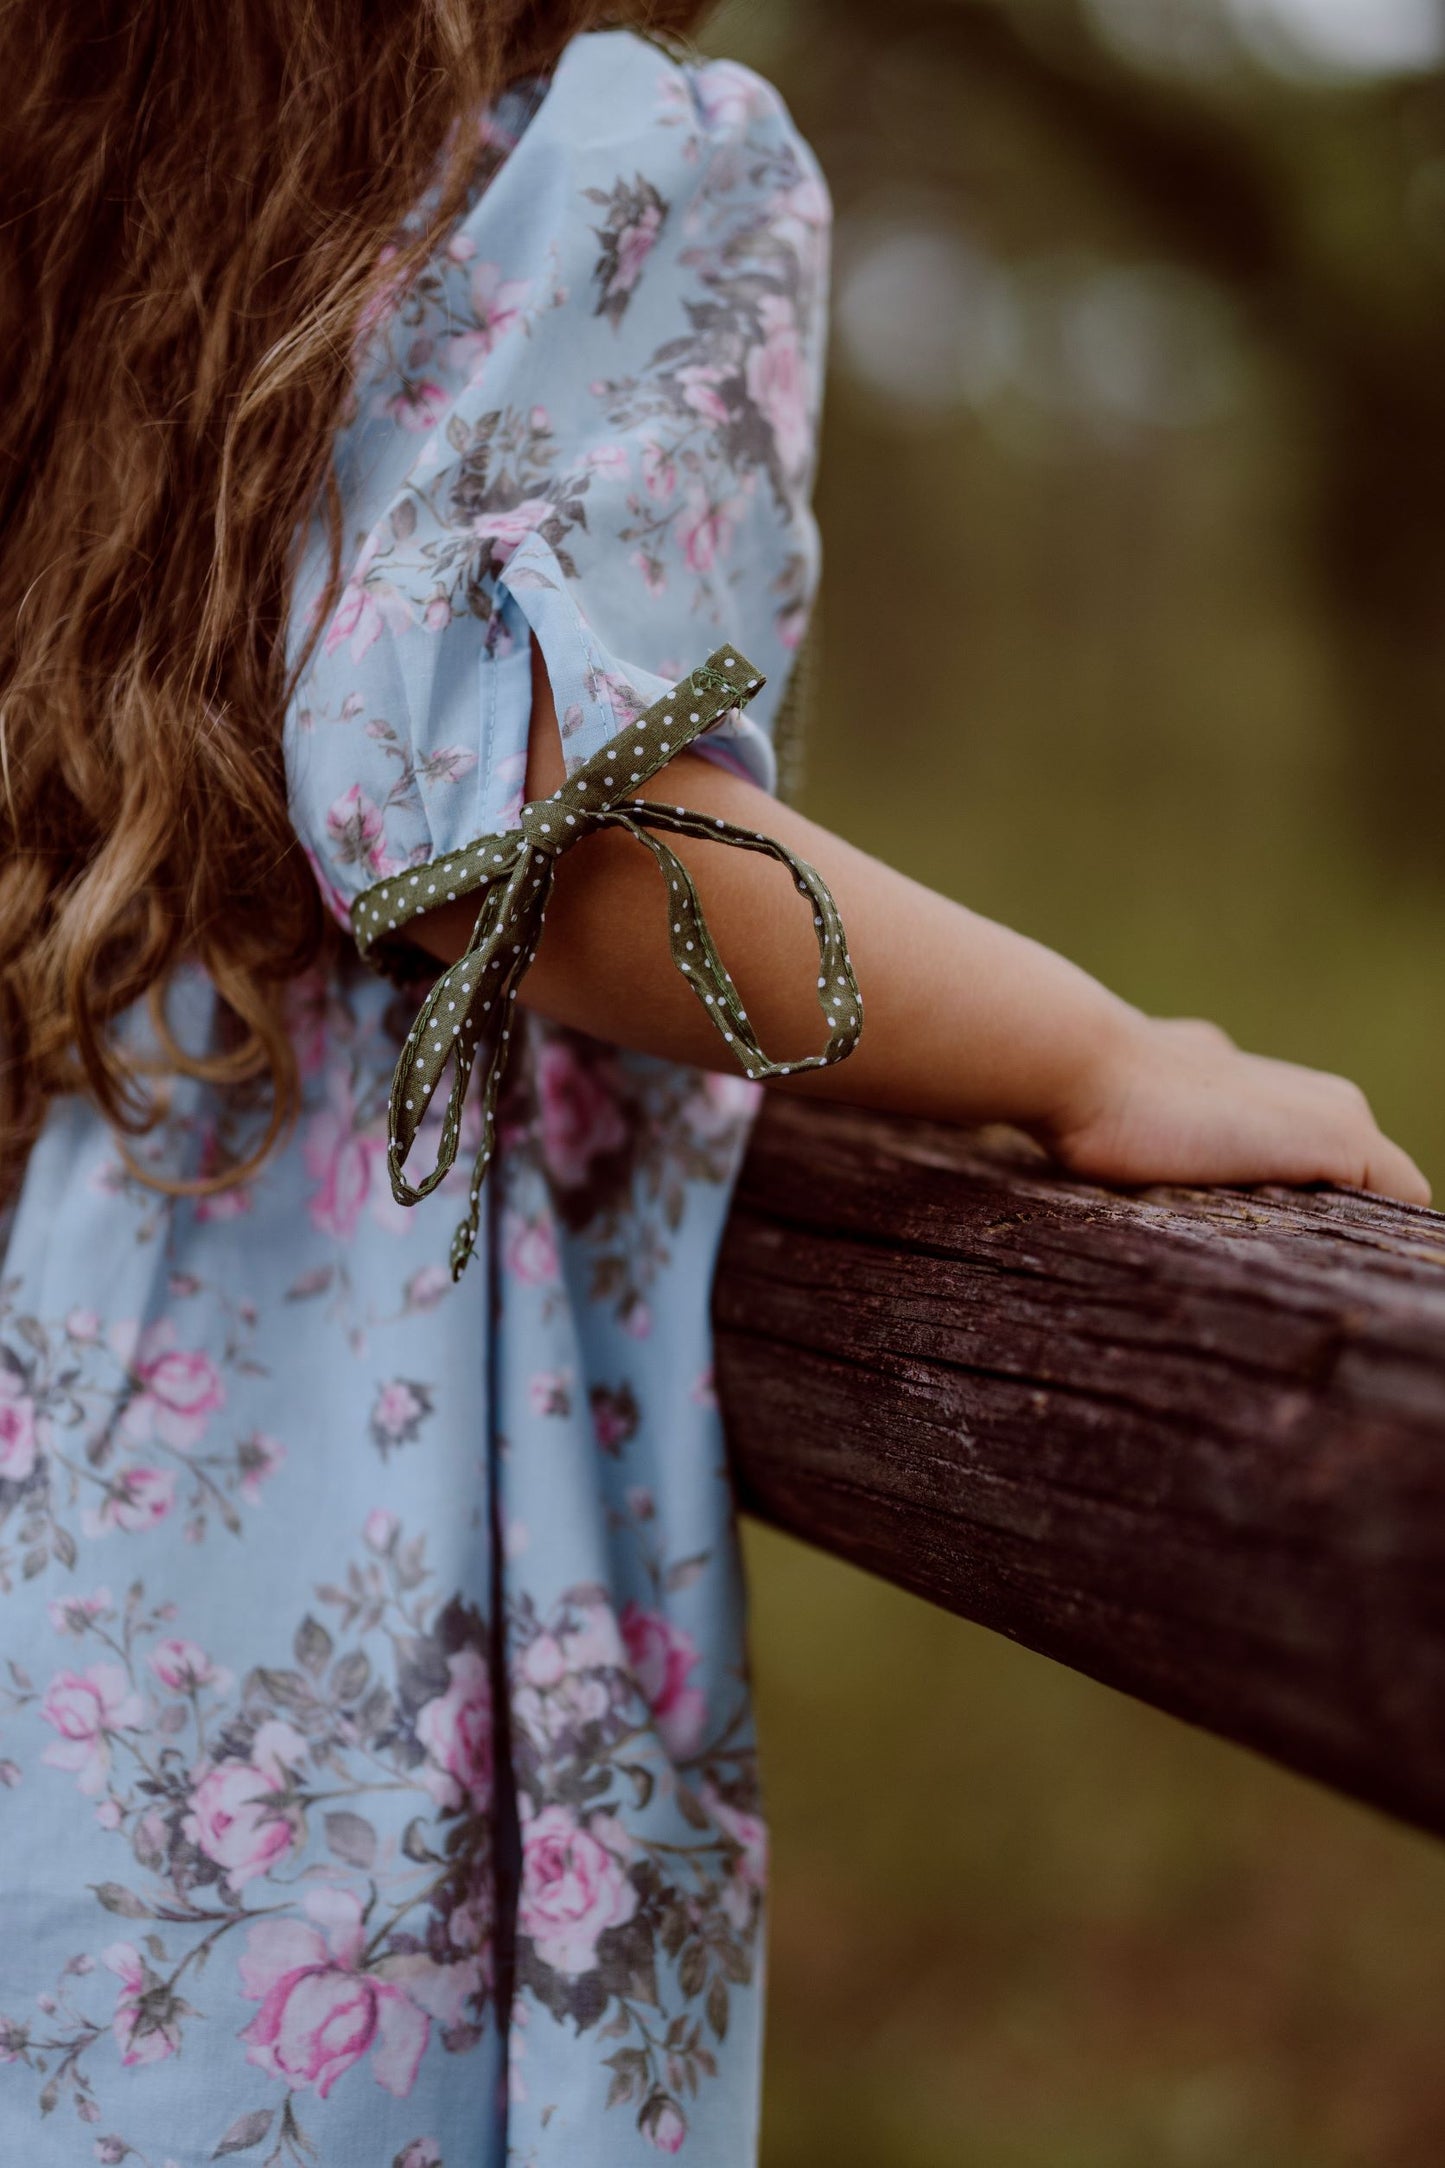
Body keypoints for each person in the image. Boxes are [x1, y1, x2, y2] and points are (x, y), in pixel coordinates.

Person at [0, 5, 1428, 2164]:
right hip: (352, 1609)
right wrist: (1103, 1049)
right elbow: (545, 846)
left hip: (90, 1490)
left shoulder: (136, 224)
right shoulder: (625, 159)